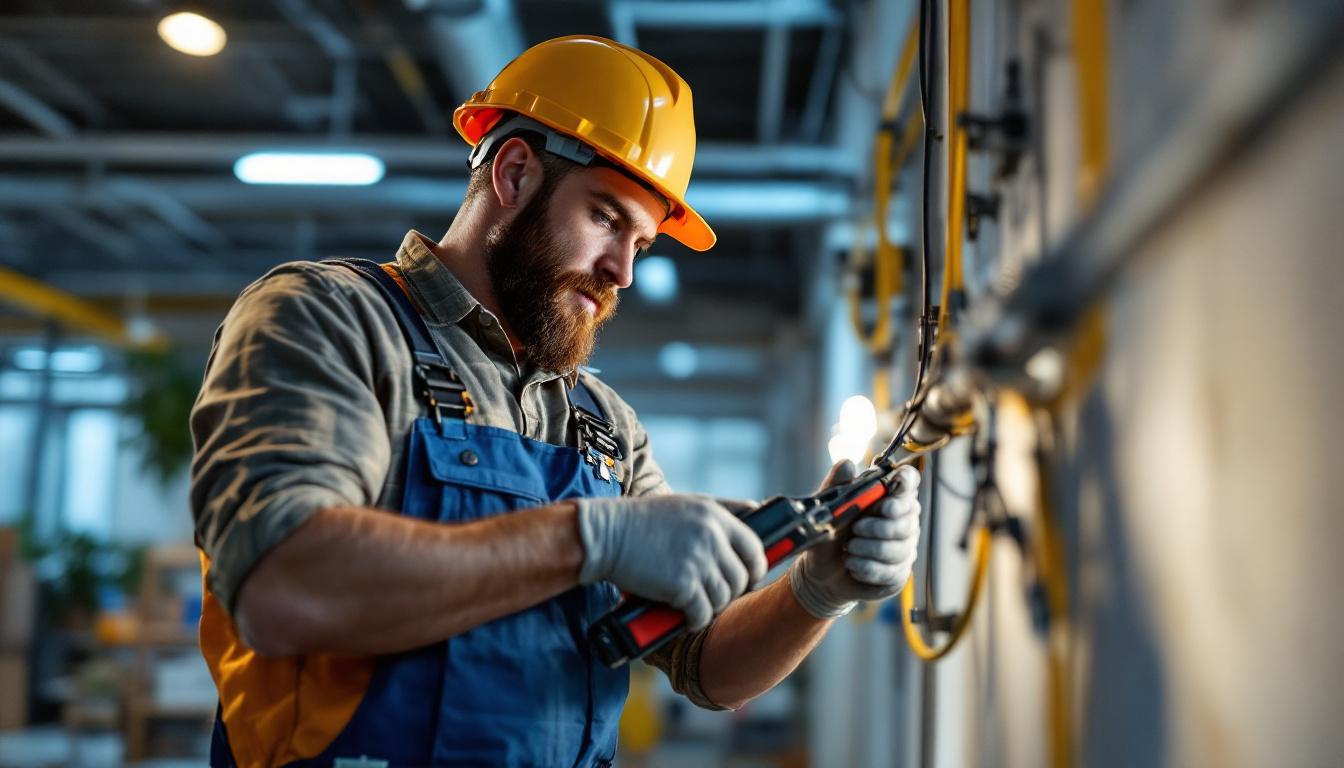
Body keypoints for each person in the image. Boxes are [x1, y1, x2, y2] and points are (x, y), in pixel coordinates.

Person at [191, 34, 922, 768]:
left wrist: (816, 590)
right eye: (607, 218)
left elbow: (704, 665)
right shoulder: (331, 319)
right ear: (513, 173)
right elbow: (282, 588)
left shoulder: (603, 426)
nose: (622, 272)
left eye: (642, 243)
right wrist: (592, 541)